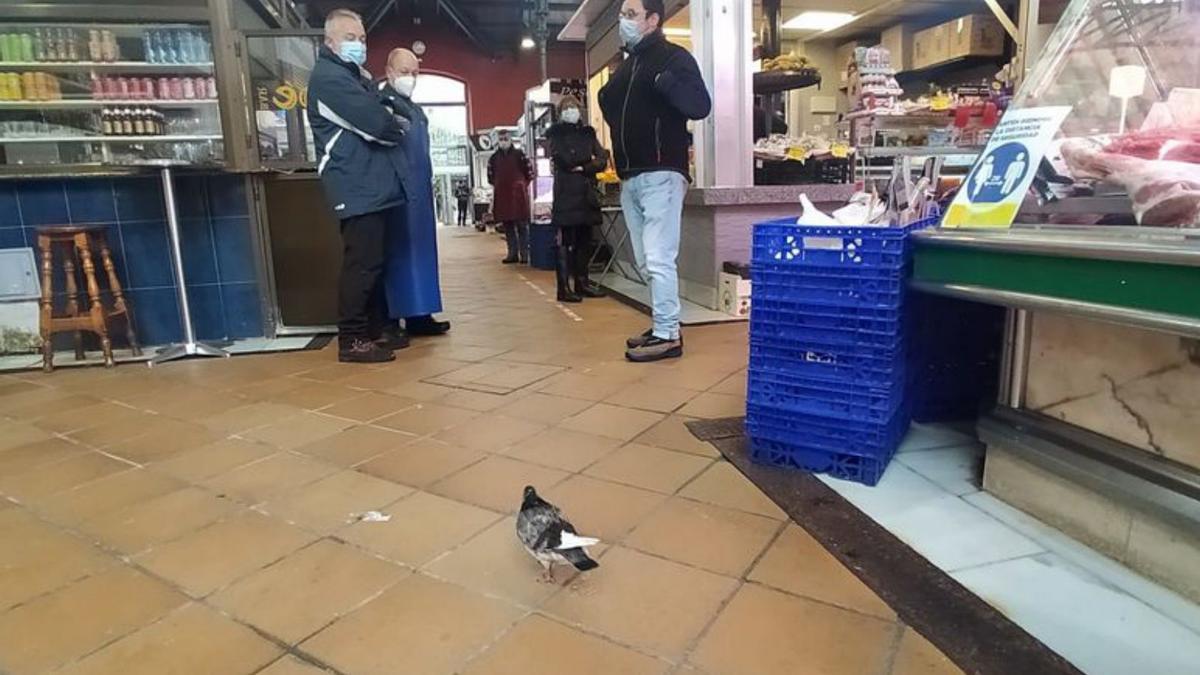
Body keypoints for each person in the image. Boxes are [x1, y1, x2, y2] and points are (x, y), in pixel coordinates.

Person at [599, 0, 711, 362]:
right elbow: (613, 107)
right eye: (622, 15)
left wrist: (664, 82)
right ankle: (665, 325)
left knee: (659, 257)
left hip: (663, 172)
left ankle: (668, 335)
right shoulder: (630, 64)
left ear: (652, 20)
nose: (623, 21)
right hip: (631, 176)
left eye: (631, 15)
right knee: (647, 261)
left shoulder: (672, 59)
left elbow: (699, 105)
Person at [308, 8, 410, 363]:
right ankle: (352, 339)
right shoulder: (329, 79)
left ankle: (372, 330)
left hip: (370, 184)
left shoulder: (351, 76)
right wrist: (392, 124)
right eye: (350, 38)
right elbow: (379, 125)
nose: (358, 44)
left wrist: (386, 116)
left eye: (362, 38)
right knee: (362, 263)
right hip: (354, 184)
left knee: (374, 261)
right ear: (329, 41)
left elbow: (381, 112)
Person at [378, 47, 451, 337]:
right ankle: (393, 318)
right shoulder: (383, 103)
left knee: (422, 253)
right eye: (404, 72)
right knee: (397, 254)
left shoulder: (414, 108)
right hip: (397, 191)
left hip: (420, 193)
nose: (410, 77)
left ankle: (421, 314)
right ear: (389, 72)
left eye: (415, 72)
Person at [545, 94, 608, 303]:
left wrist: (583, 166)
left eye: (574, 107)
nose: (571, 110)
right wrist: (586, 163)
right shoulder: (555, 135)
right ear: (561, 112)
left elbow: (602, 159)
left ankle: (582, 283)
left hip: (585, 194)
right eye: (567, 107)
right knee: (564, 240)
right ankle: (563, 288)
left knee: (584, 239)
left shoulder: (588, 133)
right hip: (565, 195)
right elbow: (564, 159)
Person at [488, 129, 534, 264]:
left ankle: (524, 253)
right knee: (507, 226)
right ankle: (512, 253)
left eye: (505, 138)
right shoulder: (494, 158)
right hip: (502, 194)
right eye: (501, 138)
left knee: (522, 225)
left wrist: (522, 185)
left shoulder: (520, 155)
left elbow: (529, 173)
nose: (503, 141)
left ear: (510, 139)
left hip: (518, 194)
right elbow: (490, 177)